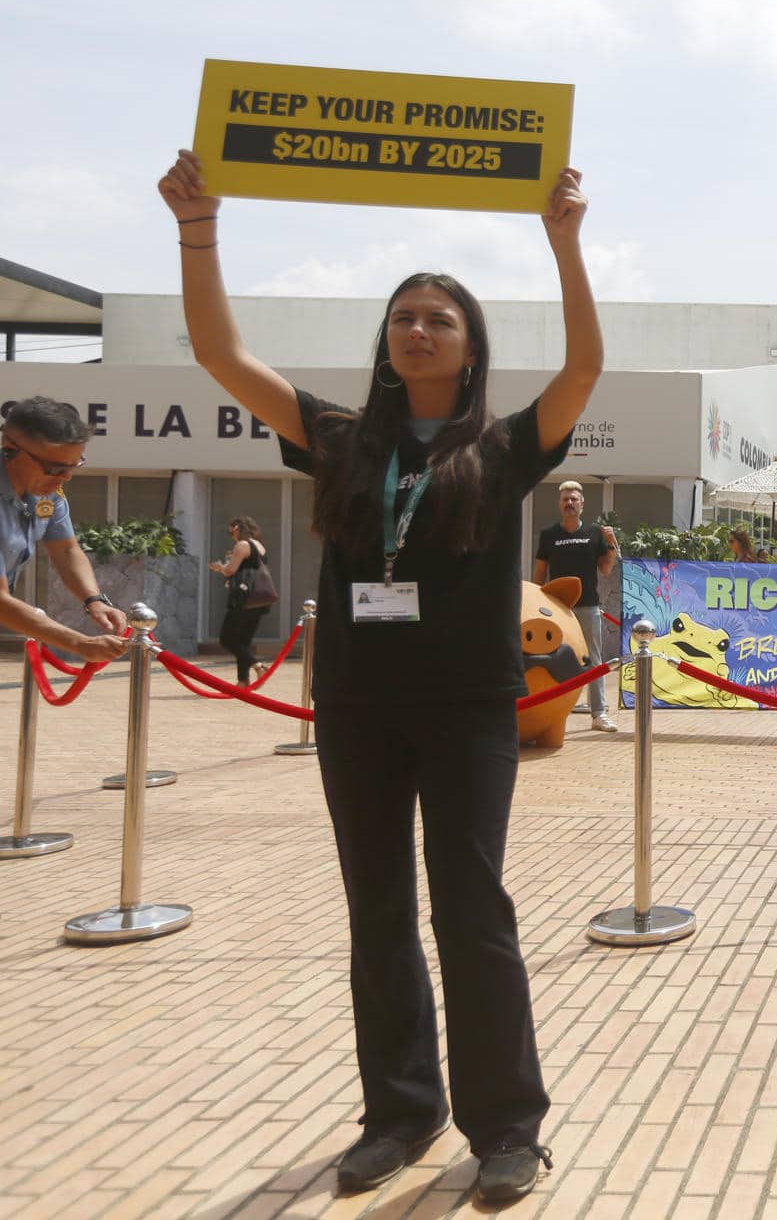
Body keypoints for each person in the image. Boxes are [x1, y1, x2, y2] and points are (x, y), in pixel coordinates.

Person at [159, 148, 603, 1203]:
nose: (417, 328)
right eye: (404, 315)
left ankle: (507, 1124)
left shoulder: (501, 446)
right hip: (355, 702)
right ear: (386, 341)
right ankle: (401, 1111)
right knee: (378, 909)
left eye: (438, 319)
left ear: (468, 346)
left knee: (471, 908)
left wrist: (565, 242)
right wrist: (198, 227)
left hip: (467, 710)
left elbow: (583, 367)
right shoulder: (341, 435)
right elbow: (221, 354)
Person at [0, 397, 130, 662]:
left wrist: (95, 600)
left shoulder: (48, 492)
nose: (66, 477)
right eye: (56, 468)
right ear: (9, 448)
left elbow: (67, 550)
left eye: (75, 464)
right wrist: (79, 643)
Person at [533, 482, 618, 733]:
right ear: (559, 504)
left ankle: (599, 713)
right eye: (565, 500)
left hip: (588, 607)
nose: (569, 503)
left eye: (574, 499)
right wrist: (534, 600)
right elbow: (540, 572)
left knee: (594, 660)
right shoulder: (549, 535)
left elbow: (605, 568)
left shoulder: (594, 533)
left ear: (582, 504)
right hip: (557, 608)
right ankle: (553, 711)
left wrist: (611, 544)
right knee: (554, 659)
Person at [208, 515, 272, 684]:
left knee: (227, 639)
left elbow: (230, 570)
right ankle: (242, 681)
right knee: (243, 641)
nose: (232, 536)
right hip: (259, 599)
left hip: (243, 598)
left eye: (232, 532)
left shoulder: (242, 545)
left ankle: (258, 666)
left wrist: (219, 568)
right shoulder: (260, 546)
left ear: (237, 528)